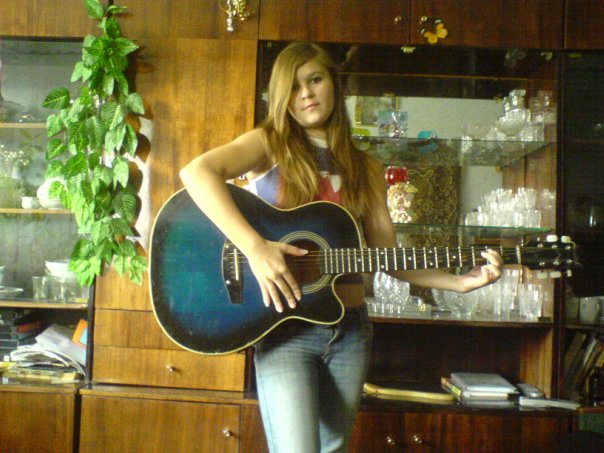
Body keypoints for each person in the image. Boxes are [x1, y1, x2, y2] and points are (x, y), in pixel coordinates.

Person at [180, 42, 503, 453]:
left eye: (315, 80)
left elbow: (388, 257)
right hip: (285, 330)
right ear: (281, 97)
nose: (306, 94)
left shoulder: (365, 167)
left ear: (334, 83)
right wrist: (256, 248)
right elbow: (197, 173)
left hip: (350, 330)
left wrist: (459, 283)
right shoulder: (268, 144)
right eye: (293, 87)